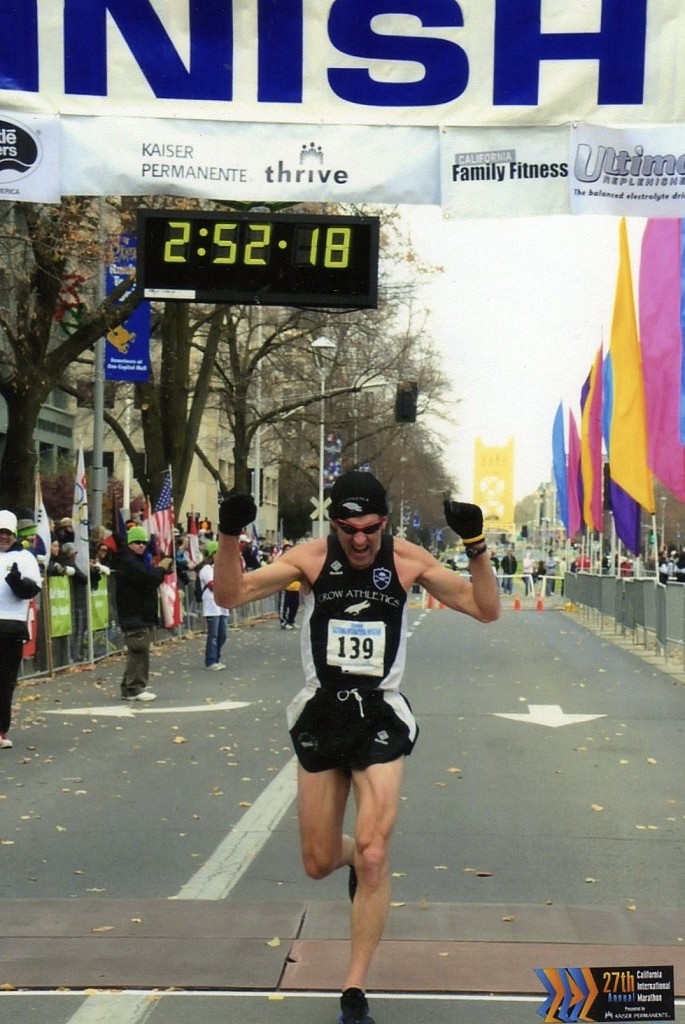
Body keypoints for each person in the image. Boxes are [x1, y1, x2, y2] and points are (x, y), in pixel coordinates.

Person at [214, 471, 500, 1024]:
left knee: (373, 853)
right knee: (319, 861)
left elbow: (485, 608)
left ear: (384, 522)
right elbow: (231, 594)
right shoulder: (313, 558)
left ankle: (354, 990)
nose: (361, 540)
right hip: (323, 712)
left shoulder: (407, 559)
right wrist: (229, 535)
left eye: (370, 528)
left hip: (379, 715)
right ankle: (350, 858)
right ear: (334, 525)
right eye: (349, 530)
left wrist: (476, 546)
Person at [112, 525, 174, 701]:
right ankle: (135, 687)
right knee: (139, 651)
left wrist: (159, 570)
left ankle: (128, 687)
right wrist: (161, 569)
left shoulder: (136, 560)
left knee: (137, 651)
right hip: (133, 613)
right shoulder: (128, 561)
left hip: (139, 613)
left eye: (144, 542)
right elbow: (148, 579)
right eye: (137, 542)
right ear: (129, 543)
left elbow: (149, 576)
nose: (141, 545)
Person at [0, 510, 42, 749]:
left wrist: (17, 582)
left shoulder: (24, 557)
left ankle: (1, 729)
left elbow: (32, 589)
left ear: (14, 534)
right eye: (0, 533)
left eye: (7, 533)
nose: (3, 537)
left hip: (11, 627)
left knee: (5, 681)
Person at [198, 540, 230, 670]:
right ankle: (211, 661)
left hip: (222, 605)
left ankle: (217, 657)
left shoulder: (222, 569)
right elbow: (213, 586)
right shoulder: (206, 569)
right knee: (214, 634)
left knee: (223, 634)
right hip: (212, 605)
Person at [278, 540, 301, 629]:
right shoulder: (281, 560)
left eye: (290, 549)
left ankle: (291, 620)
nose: (288, 550)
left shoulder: (296, 560)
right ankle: (283, 621)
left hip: (295, 587)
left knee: (294, 605)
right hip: (285, 587)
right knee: (284, 606)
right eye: (286, 549)